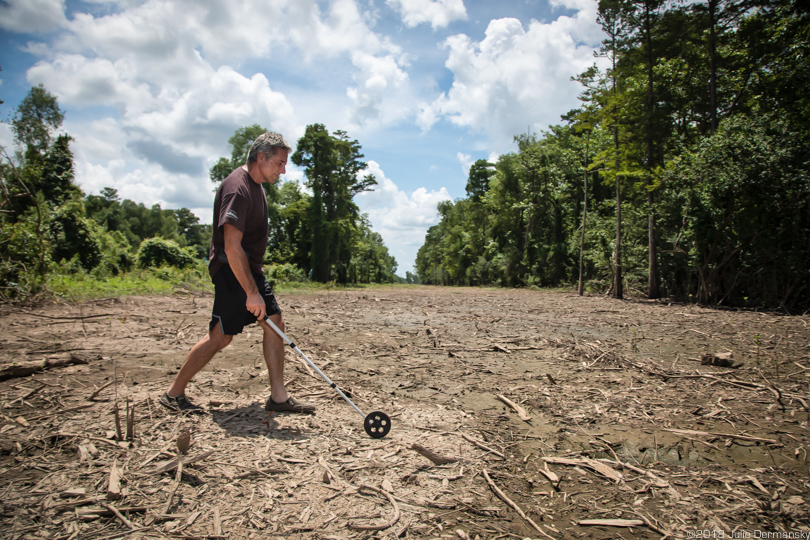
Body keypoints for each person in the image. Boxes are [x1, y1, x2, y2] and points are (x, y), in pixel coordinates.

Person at [160, 132, 315, 416]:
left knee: (274, 321)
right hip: (231, 271)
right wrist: (252, 291)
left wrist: (256, 272)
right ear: (261, 158)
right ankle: (174, 393)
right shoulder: (237, 188)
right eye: (280, 163)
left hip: (247, 269)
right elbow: (231, 247)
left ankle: (278, 398)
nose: (284, 169)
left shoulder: (256, 187)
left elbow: (244, 245)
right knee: (220, 337)